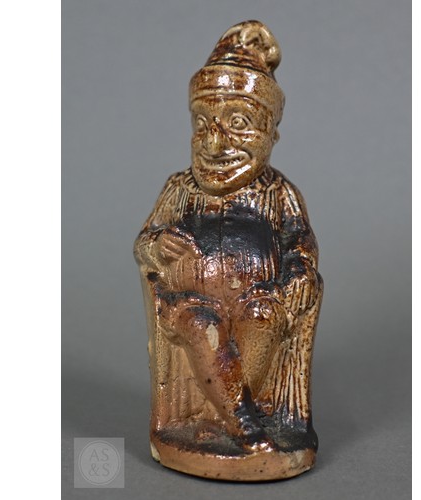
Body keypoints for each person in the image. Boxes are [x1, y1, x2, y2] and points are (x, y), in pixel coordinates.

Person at [134, 20, 322, 453]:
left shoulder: (279, 193)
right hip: (187, 305)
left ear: (271, 132)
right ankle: (243, 425)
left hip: (259, 300)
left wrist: (299, 272)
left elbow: (301, 244)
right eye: (203, 124)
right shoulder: (180, 189)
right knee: (203, 325)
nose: (215, 144)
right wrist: (157, 248)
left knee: (264, 316)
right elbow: (144, 243)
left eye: (238, 123)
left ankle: (225, 414)